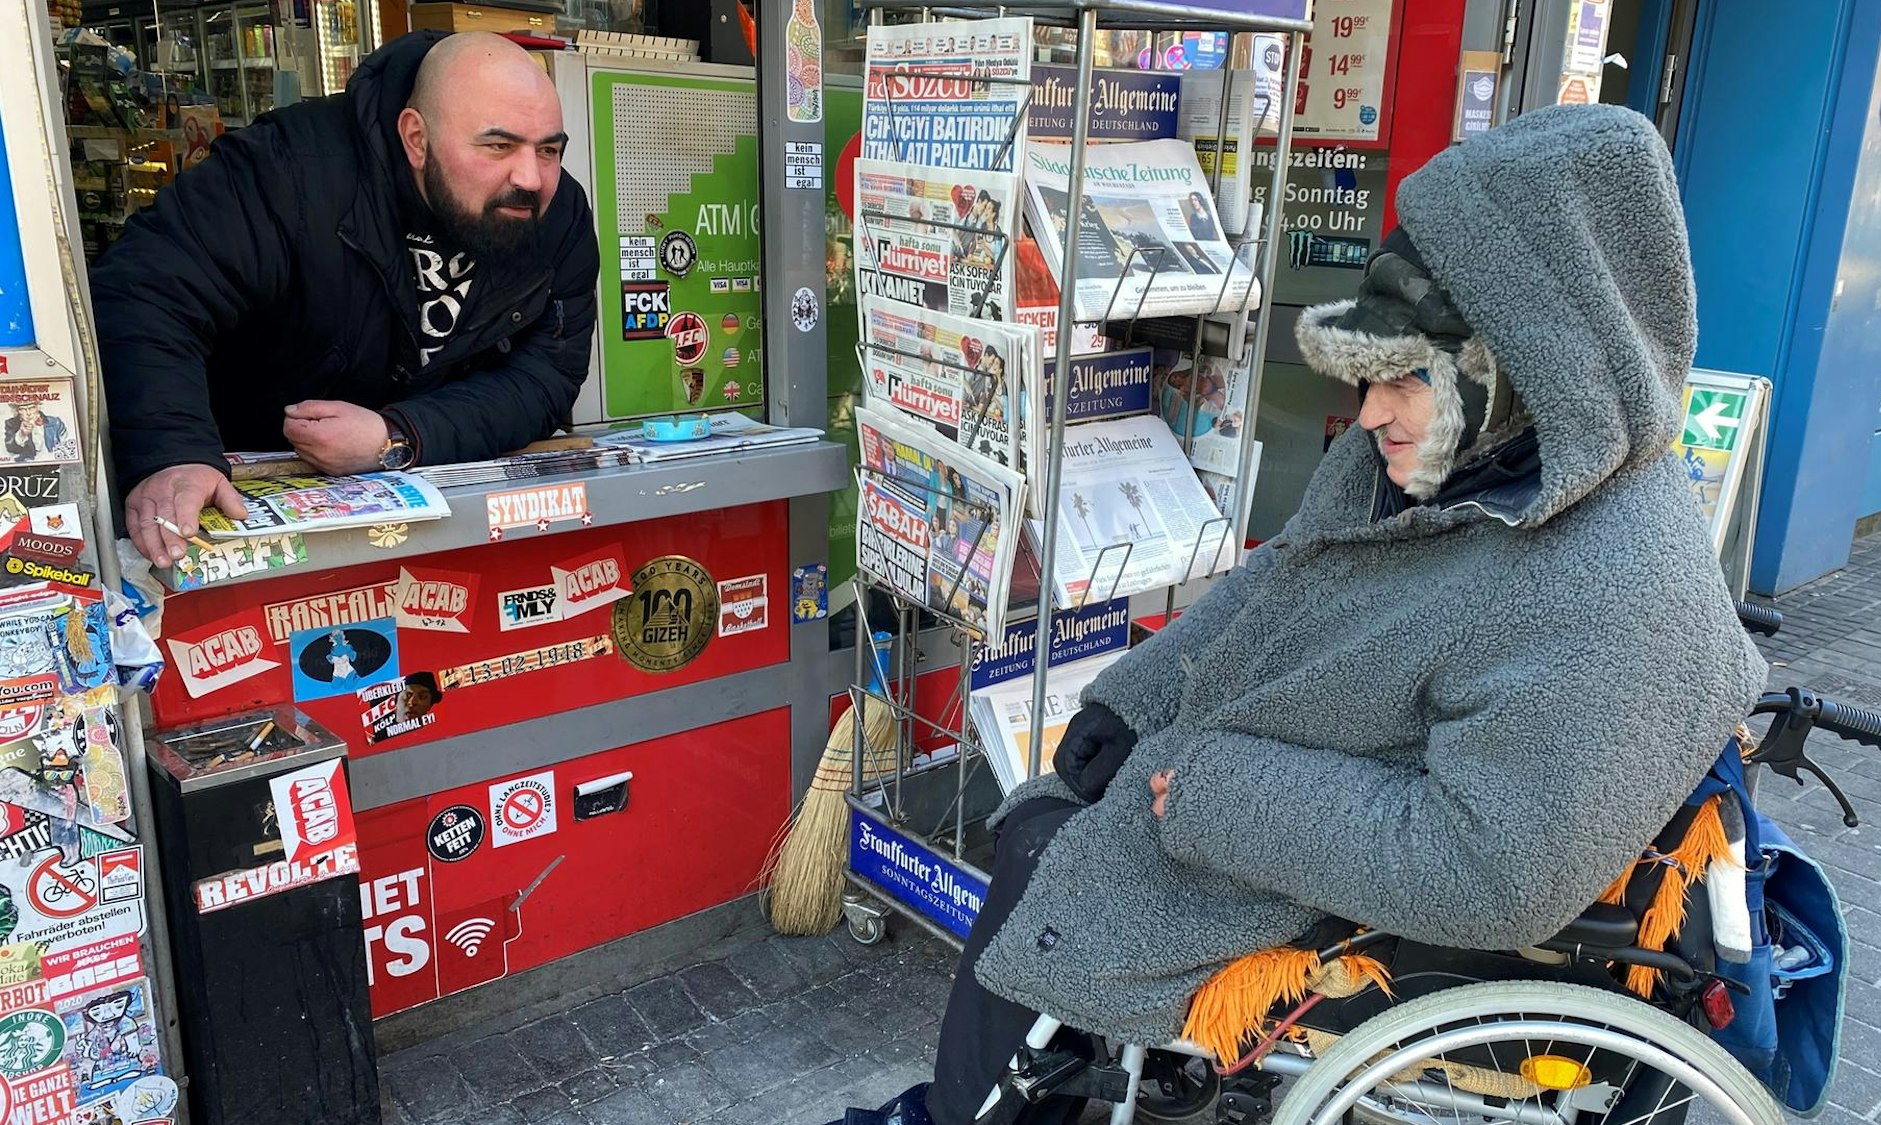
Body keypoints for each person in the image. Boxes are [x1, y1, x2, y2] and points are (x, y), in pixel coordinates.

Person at [826, 104, 1768, 1125]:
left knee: (1042, 854)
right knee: (1051, 815)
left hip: (1348, 875)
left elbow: (1488, 874)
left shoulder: (1605, 587)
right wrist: (1133, 699)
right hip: (1300, 774)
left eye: (1404, 378)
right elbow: (1276, 583)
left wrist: (1205, 792)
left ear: (1531, 367)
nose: (1368, 417)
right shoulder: (1457, 459)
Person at [92, 31, 599, 568]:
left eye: (548, 149)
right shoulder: (287, 169)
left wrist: (400, 435)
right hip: (239, 504)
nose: (530, 177)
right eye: (498, 146)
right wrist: (171, 452)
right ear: (416, 137)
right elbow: (146, 292)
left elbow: (548, 373)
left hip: (443, 519)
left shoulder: (558, 213)